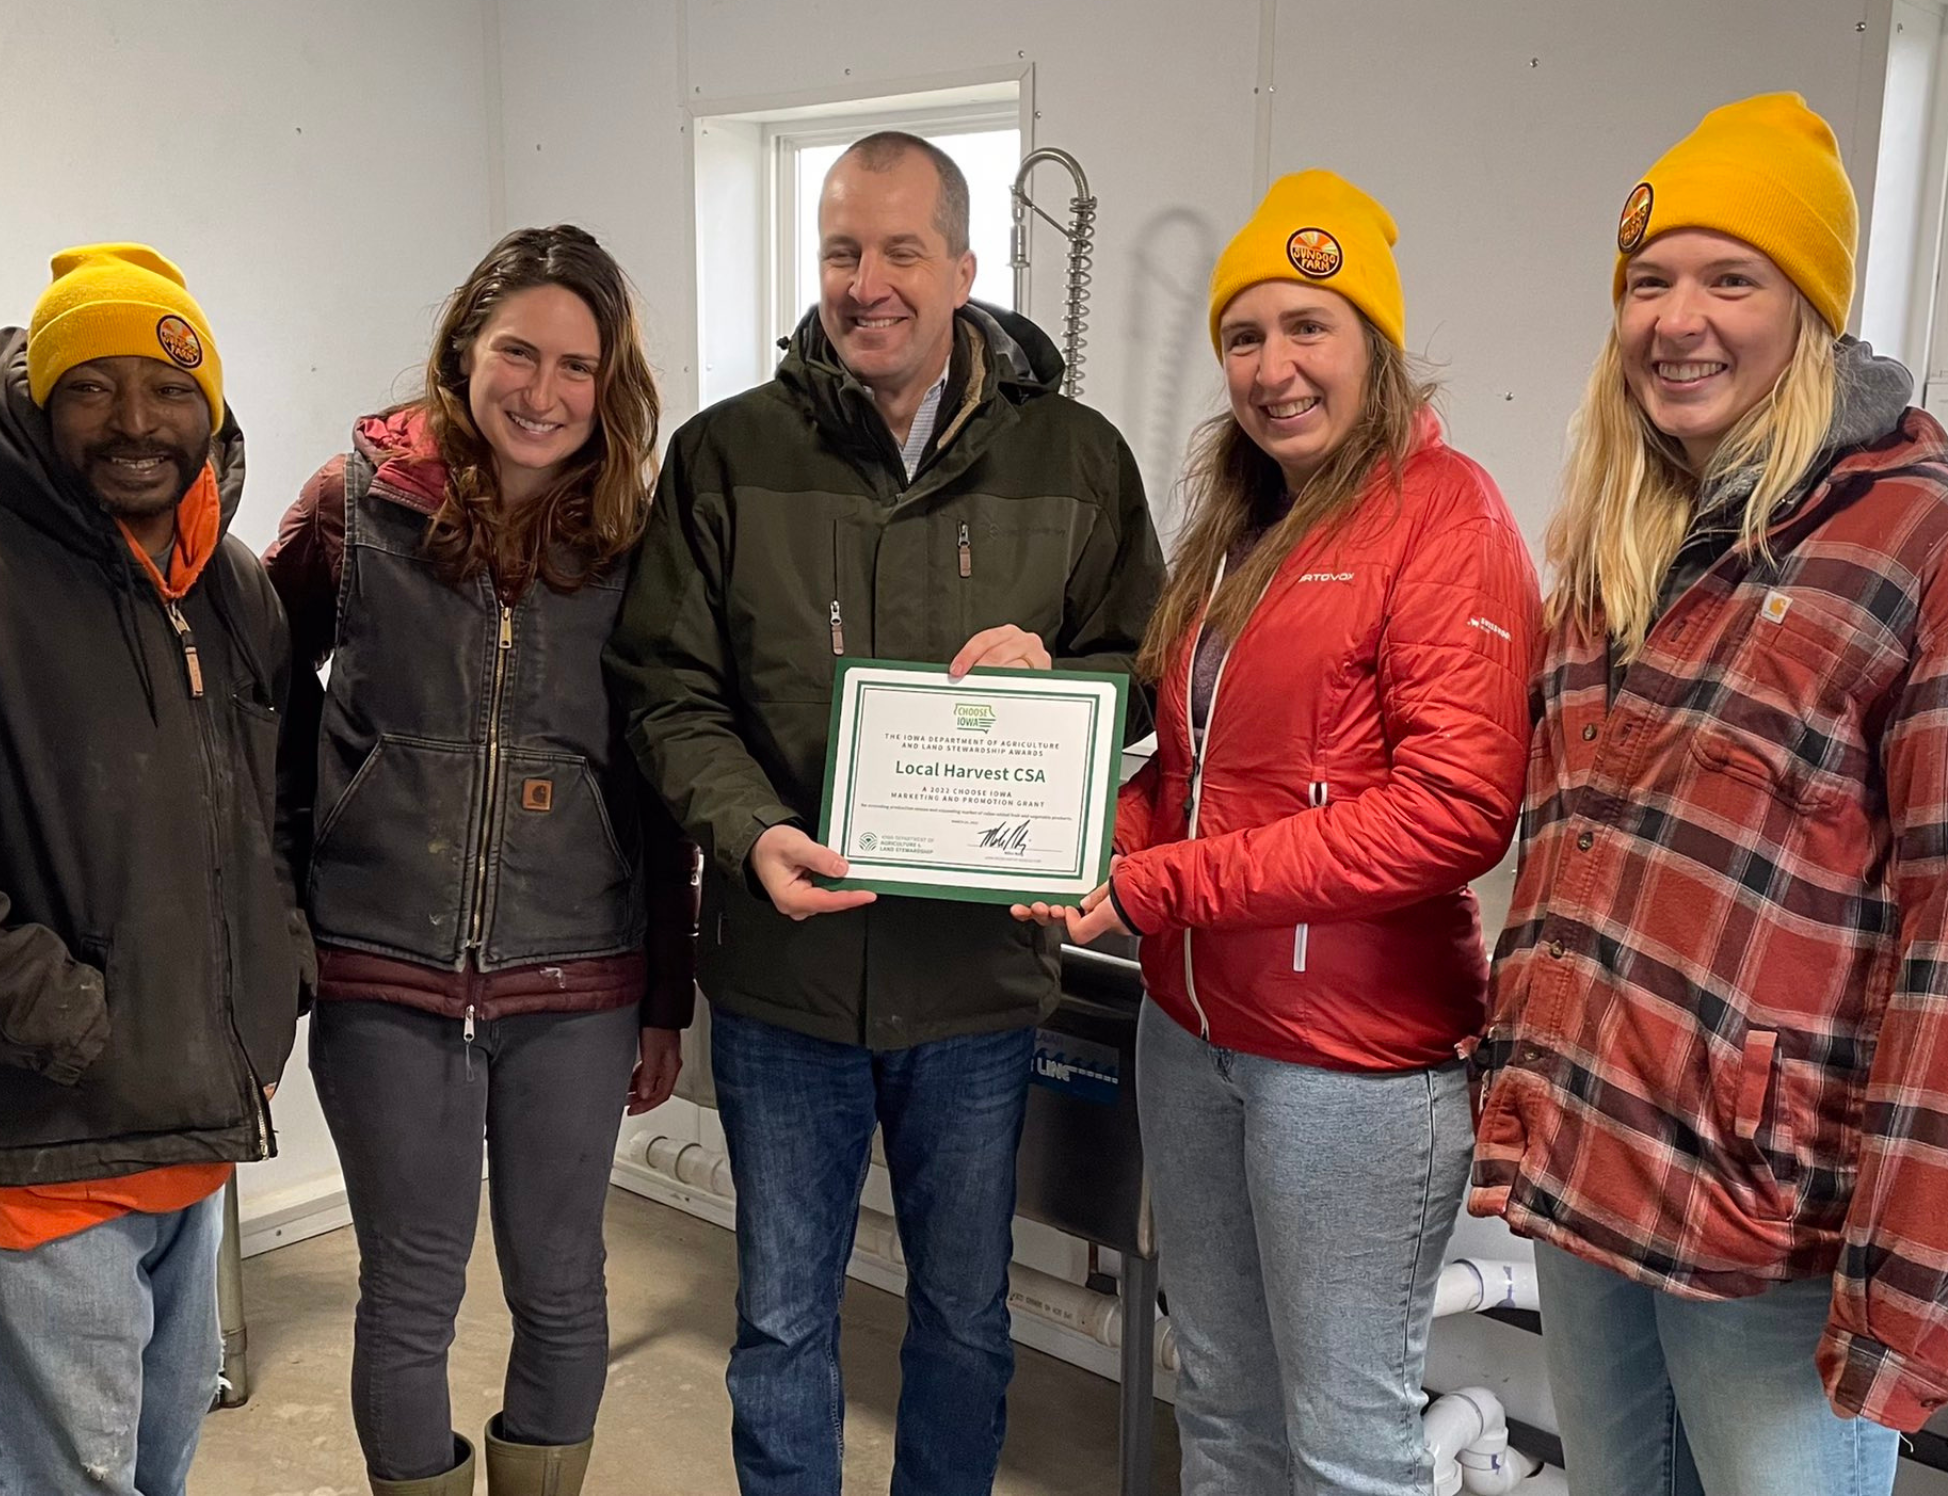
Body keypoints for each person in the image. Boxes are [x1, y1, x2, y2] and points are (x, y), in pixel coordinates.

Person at [607, 131, 1162, 1496]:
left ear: (964, 266)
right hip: (787, 976)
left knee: (967, 1320)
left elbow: (1151, 670)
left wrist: (1066, 676)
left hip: (973, 989)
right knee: (784, 1321)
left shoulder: (1076, 459)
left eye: (902, 250)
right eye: (843, 251)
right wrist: (747, 829)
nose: (869, 282)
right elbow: (667, 688)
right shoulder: (726, 455)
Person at [1024, 171, 1539, 1495]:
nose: (1274, 367)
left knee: (1347, 1443)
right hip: (1193, 1031)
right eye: (1245, 338)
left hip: (1351, 1069)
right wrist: (1087, 847)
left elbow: (1454, 813)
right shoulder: (1247, 524)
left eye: (1309, 327)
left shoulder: (1451, 518)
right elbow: (1189, 775)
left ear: (1374, 340)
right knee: (1223, 1411)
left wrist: (1160, 884)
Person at [1471, 92, 1948, 1495]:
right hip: (1587, 1164)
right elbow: (1562, 860)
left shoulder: (1909, 530)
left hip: (1772, 1221)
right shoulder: (1621, 526)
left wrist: (1907, 1271)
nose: (1679, 319)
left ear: (1809, 305)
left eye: (1730, 278)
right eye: (1649, 282)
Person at [265, 225, 694, 1496]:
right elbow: (261, 703)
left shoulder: (634, 533)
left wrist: (665, 996)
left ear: (608, 384)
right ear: (465, 349)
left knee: (563, 1284)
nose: (544, 392)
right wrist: (295, 904)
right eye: (519, 351)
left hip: (581, 979)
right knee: (409, 1285)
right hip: (383, 971)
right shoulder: (357, 504)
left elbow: (659, 782)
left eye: (578, 366)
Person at [0, 244, 311, 1496]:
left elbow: (285, 812)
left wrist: (275, 974)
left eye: (169, 385)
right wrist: (69, 1017)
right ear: (36, 403)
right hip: (37, 1148)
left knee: (152, 1472)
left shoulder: (238, 588)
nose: (137, 423)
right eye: (92, 385)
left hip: (188, 1141)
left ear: (214, 407)